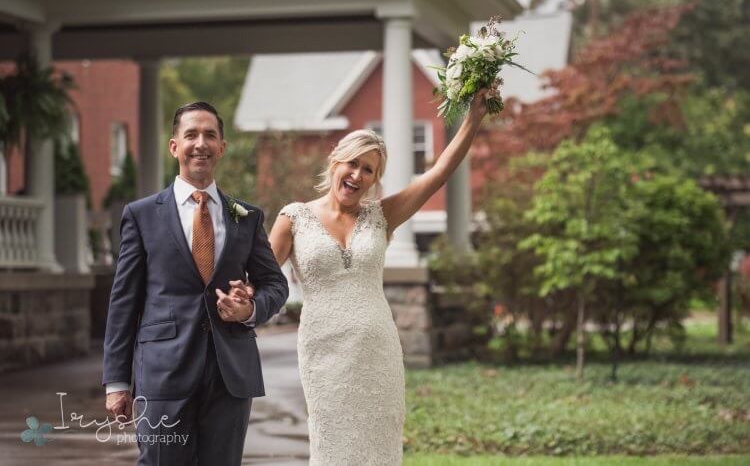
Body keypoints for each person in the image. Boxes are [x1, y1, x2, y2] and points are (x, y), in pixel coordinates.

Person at [230, 90, 489, 464]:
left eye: (368, 170)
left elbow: (439, 174)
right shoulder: (294, 217)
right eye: (352, 164)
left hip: (378, 350)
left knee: (379, 450)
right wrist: (244, 295)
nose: (357, 175)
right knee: (333, 446)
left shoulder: (381, 216)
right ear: (335, 162)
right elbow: (264, 277)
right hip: (324, 353)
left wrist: (473, 118)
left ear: (374, 179)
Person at [102, 101, 288, 465]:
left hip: (230, 376)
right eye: (191, 134)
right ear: (175, 146)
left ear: (222, 147)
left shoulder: (247, 218)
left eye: (210, 135)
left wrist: (249, 309)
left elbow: (274, 285)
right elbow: (123, 302)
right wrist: (116, 382)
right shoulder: (141, 216)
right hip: (162, 376)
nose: (200, 143)